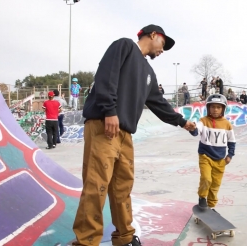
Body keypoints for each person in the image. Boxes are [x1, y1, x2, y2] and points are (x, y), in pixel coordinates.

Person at [72, 24, 196, 246]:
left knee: (122, 187)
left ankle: (125, 237)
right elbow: (105, 76)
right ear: (152, 35)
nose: (163, 50)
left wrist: (182, 121)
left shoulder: (148, 72)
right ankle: (85, 241)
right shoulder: (124, 46)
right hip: (104, 125)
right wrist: (109, 111)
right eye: (163, 44)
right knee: (96, 185)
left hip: (125, 134)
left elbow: (158, 103)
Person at [189, 94, 235, 211]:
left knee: (215, 184)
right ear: (208, 108)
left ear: (223, 109)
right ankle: (202, 197)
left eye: (218, 107)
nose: (215, 110)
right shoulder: (203, 121)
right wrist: (192, 128)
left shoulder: (227, 124)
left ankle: (212, 205)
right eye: (212, 107)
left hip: (220, 159)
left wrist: (230, 155)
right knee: (206, 178)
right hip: (205, 155)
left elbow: (232, 141)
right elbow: (196, 130)